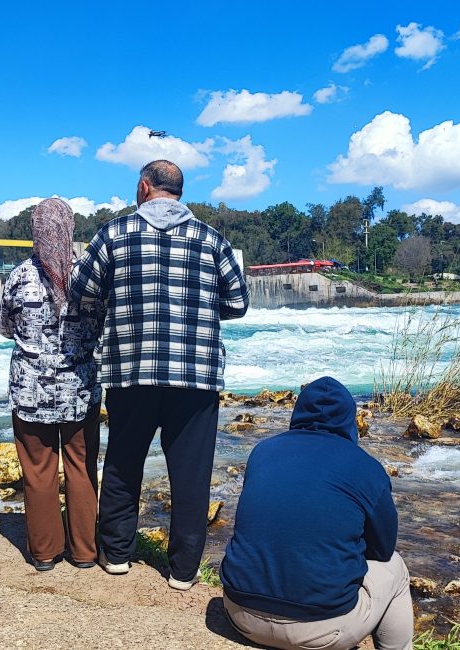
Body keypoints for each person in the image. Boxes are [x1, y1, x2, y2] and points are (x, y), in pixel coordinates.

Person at [70, 159, 249, 589]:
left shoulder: (114, 233)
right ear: (180, 192)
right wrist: (200, 308)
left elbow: (81, 291)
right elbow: (238, 302)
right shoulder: (211, 239)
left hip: (131, 370)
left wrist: (117, 300)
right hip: (196, 375)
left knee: (123, 463)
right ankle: (183, 570)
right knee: (191, 475)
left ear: (144, 187)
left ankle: (117, 554)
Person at [220, 377, 412, 650]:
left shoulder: (262, 451)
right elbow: (383, 550)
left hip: (241, 614)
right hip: (321, 632)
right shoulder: (366, 467)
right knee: (396, 568)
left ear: (298, 412)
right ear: (349, 419)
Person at [0, 198, 104, 571]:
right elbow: (103, 324)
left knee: (38, 471)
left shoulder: (18, 277)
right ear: (70, 229)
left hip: (30, 389)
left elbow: (6, 328)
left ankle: (45, 552)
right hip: (80, 389)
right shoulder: (88, 276)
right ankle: (84, 551)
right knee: (81, 467)